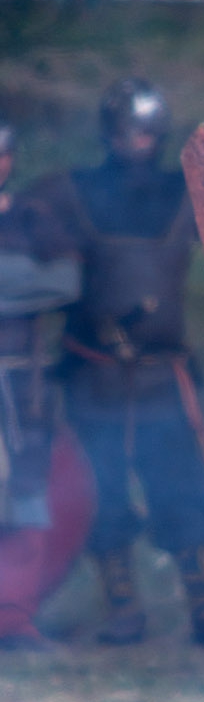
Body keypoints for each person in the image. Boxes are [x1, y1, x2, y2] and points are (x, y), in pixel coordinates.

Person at [34, 78, 204, 646]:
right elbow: (22, 234)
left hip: (162, 372)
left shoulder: (188, 194)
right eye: (128, 129)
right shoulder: (69, 193)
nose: (138, 139)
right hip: (93, 369)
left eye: (148, 129)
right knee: (99, 488)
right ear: (108, 133)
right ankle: (122, 604)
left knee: (181, 487)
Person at [0, 118, 95, 647]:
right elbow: (40, 283)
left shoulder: (35, 219)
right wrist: (20, 279)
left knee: (27, 494)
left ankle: (12, 617)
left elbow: (65, 283)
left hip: (20, 382)